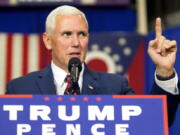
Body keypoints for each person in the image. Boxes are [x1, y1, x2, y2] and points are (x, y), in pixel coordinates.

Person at [6, 5, 178, 126]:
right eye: (66, 34)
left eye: (82, 34)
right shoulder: (20, 89)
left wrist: (164, 71)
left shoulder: (115, 87)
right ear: (48, 41)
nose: (76, 43)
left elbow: (154, 121)